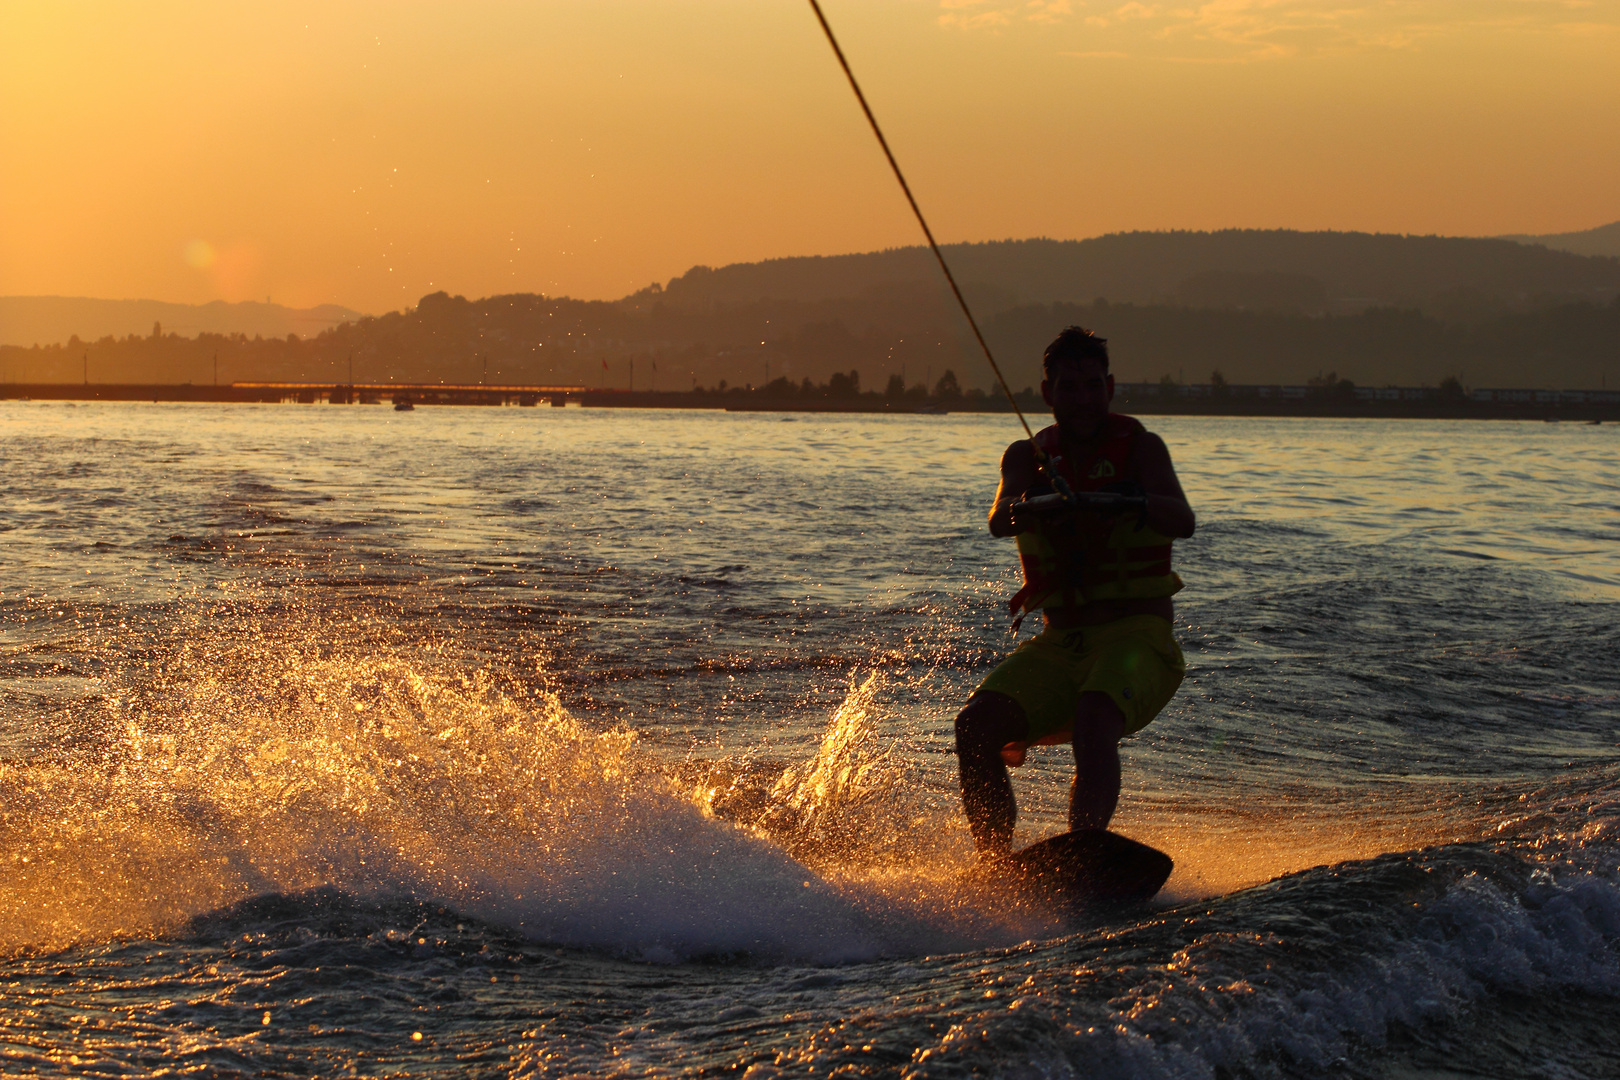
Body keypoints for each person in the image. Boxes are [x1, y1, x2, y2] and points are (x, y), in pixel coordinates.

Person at [955, 326, 1195, 858]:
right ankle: (995, 864)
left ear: (1109, 388)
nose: (1082, 399)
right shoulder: (1026, 456)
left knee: (1094, 719)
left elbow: (1184, 519)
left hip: (1138, 639)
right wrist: (1034, 501)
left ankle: (1085, 849)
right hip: (1062, 644)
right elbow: (1000, 518)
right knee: (974, 728)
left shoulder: (1142, 451)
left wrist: (1130, 499)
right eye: (1069, 387)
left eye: (1092, 386)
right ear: (1048, 394)